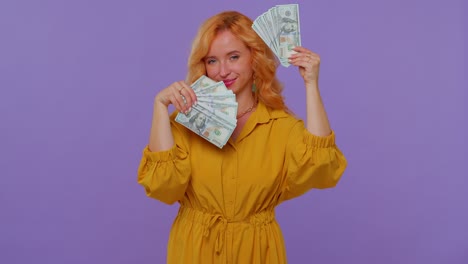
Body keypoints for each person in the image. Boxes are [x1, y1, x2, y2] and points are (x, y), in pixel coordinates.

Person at [137, 10, 347, 264]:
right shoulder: (186, 123)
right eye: (212, 60)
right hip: (195, 251)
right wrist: (159, 107)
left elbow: (322, 169)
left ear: (254, 58)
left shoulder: (280, 126)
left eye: (233, 57)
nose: (222, 70)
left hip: (257, 251)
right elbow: (163, 187)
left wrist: (311, 85)